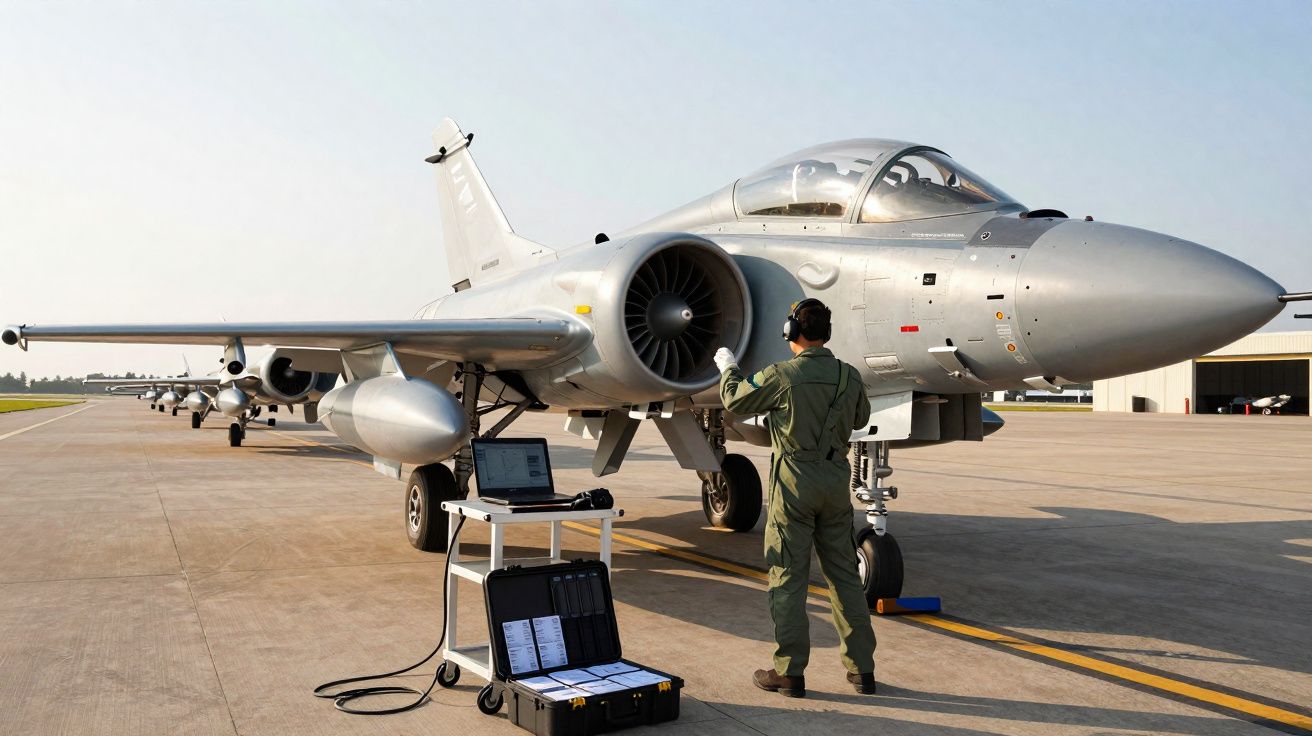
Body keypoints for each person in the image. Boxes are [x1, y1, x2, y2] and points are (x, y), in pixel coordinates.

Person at [713, 298, 876, 698]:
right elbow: (860, 418)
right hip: (834, 483)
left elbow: (734, 400)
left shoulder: (782, 375)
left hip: (794, 485)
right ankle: (862, 670)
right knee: (844, 577)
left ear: (792, 332)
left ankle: (789, 673)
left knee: (787, 577)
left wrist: (728, 367)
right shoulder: (849, 376)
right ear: (826, 332)